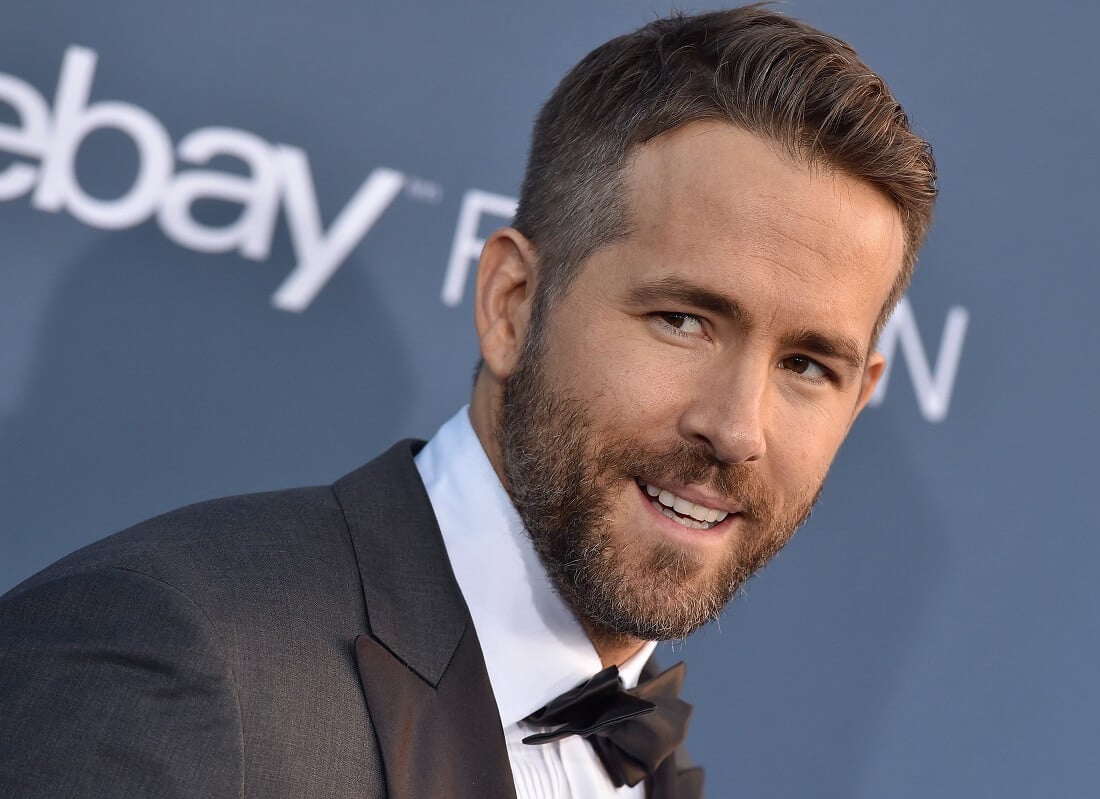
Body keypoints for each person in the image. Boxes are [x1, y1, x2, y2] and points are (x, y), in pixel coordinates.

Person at [0, 6, 936, 798]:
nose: (736, 428)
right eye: (685, 319)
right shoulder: (176, 661)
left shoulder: (644, 754)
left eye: (809, 365)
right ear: (511, 305)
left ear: (862, 399)